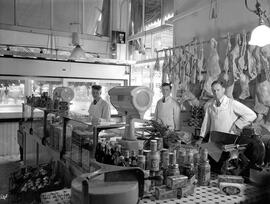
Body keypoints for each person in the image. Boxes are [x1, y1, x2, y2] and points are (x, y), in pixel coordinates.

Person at [196, 80, 257, 145]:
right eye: (214, 90)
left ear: (223, 90)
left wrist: (237, 125)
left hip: (228, 141)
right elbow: (206, 123)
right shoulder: (210, 106)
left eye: (218, 90)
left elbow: (252, 115)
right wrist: (201, 138)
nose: (216, 92)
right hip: (213, 141)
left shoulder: (232, 103)